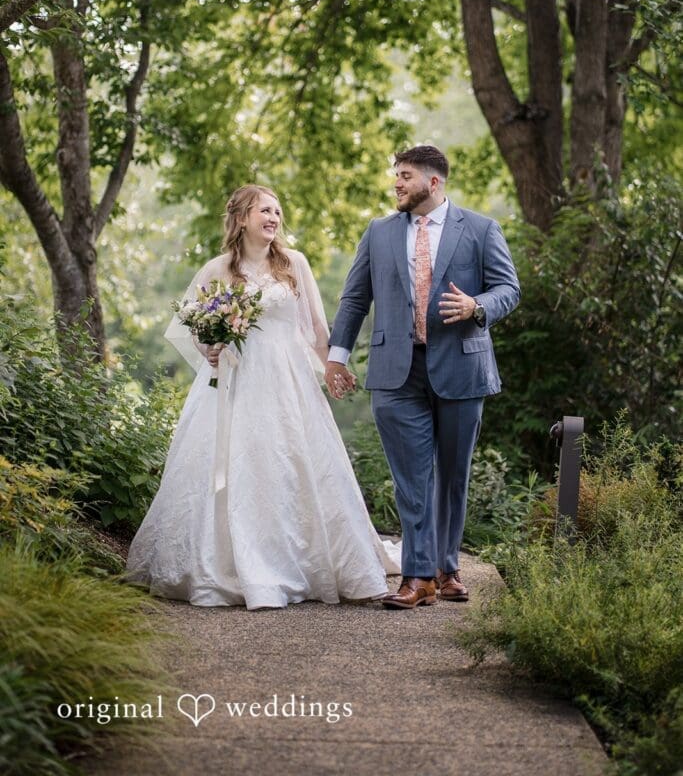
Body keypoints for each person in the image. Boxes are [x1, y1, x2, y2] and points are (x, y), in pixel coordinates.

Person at [125, 184, 400, 610]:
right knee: (239, 465)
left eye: (277, 211)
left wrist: (332, 367)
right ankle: (233, 564)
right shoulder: (218, 269)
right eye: (264, 211)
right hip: (235, 382)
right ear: (241, 219)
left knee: (292, 462)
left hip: (289, 381)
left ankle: (303, 562)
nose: (273, 218)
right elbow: (191, 325)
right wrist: (210, 349)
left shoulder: (295, 263)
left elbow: (315, 327)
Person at [325, 145, 520, 610]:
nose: (396, 183)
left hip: (462, 367)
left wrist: (478, 307)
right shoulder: (378, 233)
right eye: (395, 175)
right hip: (397, 371)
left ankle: (446, 567)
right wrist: (337, 356)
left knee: (452, 476)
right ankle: (418, 577)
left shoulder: (479, 229)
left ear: (434, 182)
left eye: (405, 176)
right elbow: (355, 300)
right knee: (412, 479)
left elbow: (509, 289)